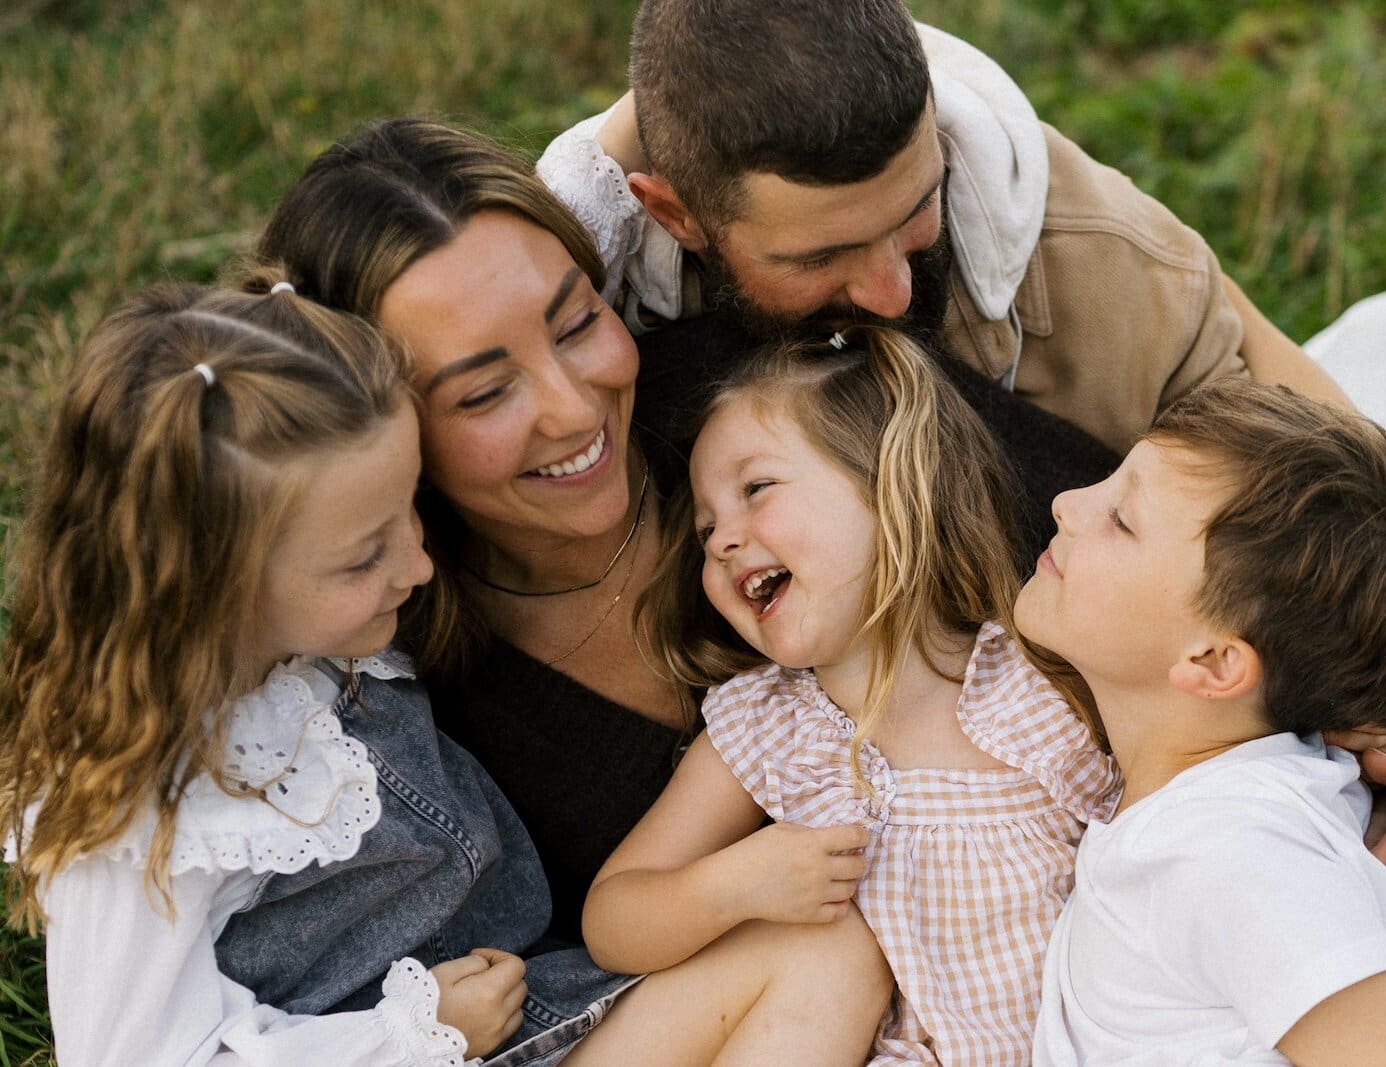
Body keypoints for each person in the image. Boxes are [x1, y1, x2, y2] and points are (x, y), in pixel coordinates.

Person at [534, 0, 1386, 987]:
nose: (892, 288)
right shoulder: (564, 313)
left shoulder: (1102, 263)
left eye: (915, 210)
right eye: (824, 256)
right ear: (672, 211)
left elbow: (1355, 501)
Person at [255, 117, 1105, 1065]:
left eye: (578, 323)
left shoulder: (751, 410)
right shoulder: (404, 662)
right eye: (485, 393)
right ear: (384, 439)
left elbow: (1138, 538)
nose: (575, 409)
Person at [0, 278, 625, 1065]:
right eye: (366, 555)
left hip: (541, 984)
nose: (420, 564)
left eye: (412, 506)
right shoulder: (147, 814)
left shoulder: (315, 638)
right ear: (209, 586)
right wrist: (412, 1035)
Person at [1019, 378, 1386, 1065]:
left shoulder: (1236, 853)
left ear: (1212, 662)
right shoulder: (1219, 815)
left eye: (1122, 518)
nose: (1065, 502)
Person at [586, 326, 1119, 1065]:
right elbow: (612, 917)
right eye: (708, 527)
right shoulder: (768, 725)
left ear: (893, 480)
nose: (720, 540)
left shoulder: (1043, 684)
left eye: (756, 490)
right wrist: (734, 885)